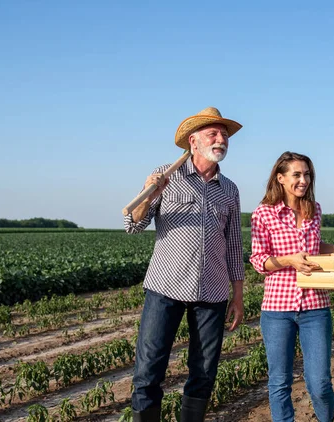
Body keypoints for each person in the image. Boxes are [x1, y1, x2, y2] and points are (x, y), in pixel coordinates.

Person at [124, 107, 245, 422]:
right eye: (213, 134)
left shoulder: (229, 189)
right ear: (193, 141)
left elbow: (233, 245)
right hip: (166, 287)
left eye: (224, 135)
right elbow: (133, 224)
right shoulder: (166, 176)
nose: (221, 140)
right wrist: (150, 195)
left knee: (204, 371)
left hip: (213, 292)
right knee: (149, 369)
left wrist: (238, 295)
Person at [250, 151, 334, 422]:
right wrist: (289, 260)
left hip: (316, 307)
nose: (303, 180)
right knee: (279, 381)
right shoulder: (263, 213)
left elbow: (314, 247)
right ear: (280, 178)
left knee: (320, 383)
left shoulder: (314, 210)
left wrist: (333, 248)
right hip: (277, 309)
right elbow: (259, 261)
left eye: (307, 175)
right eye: (296, 175)